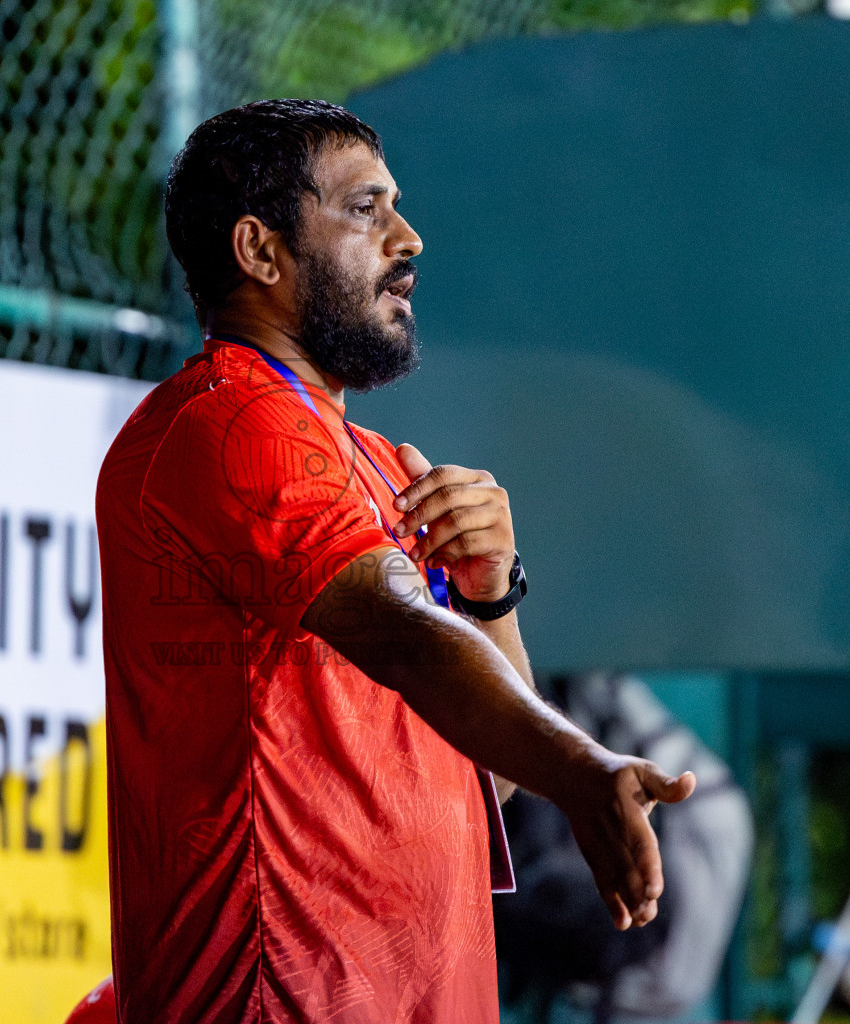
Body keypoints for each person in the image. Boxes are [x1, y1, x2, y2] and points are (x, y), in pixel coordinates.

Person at [95, 99, 695, 1024]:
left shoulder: (378, 464)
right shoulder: (228, 422)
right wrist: (581, 769)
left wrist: (494, 595)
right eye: (366, 209)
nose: (408, 239)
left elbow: (475, 764)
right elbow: (408, 640)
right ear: (261, 252)